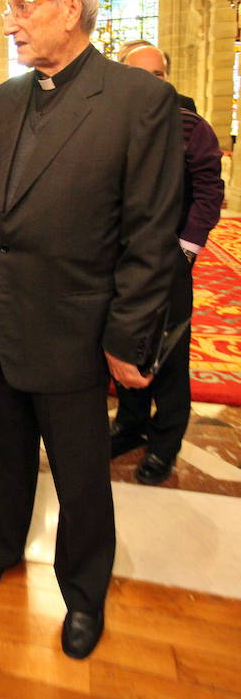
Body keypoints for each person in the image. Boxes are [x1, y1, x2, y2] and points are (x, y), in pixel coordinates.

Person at [0, 0, 183, 660]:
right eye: (9, 8)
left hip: (75, 331)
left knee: (80, 479)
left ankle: (84, 588)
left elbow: (150, 235)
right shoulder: (6, 100)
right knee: (2, 460)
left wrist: (127, 338)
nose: (10, 23)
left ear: (71, 9)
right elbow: (4, 197)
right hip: (0, 322)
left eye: (23, 6)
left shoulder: (136, 100)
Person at [111, 44, 224, 483]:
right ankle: (130, 423)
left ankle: (165, 442)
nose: (149, 82)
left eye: (157, 74)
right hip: (119, 257)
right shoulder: (111, 123)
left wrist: (186, 250)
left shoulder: (192, 127)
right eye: (140, 74)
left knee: (169, 352)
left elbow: (209, 193)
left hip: (170, 259)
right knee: (124, 342)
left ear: (166, 77)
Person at [118, 40, 197, 111]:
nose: (149, 79)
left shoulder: (183, 106)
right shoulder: (114, 106)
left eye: (157, 74)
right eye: (140, 73)